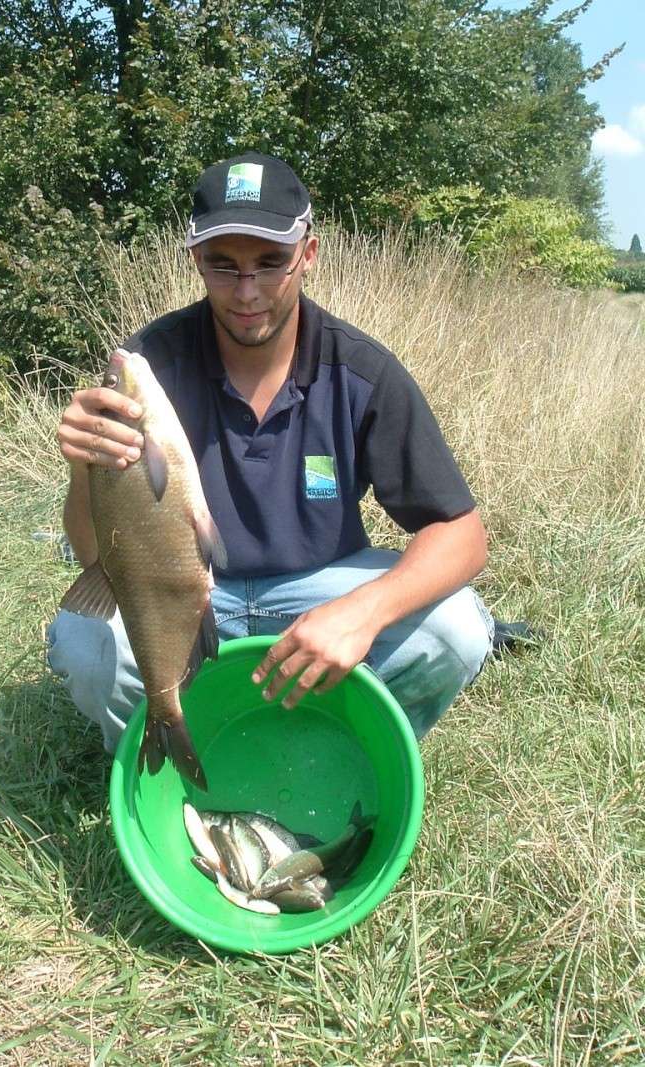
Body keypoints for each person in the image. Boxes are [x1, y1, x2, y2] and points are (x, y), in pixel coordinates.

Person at [47, 151, 494, 752]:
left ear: (307, 254)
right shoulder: (148, 369)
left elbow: (462, 534)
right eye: (223, 266)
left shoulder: (361, 372)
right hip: (185, 595)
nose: (247, 292)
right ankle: (171, 750)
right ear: (195, 261)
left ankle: (342, 747)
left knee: (457, 630)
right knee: (83, 640)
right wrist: (83, 468)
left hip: (318, 591)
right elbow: (93, 553)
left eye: (270, 263)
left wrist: (362, 612)